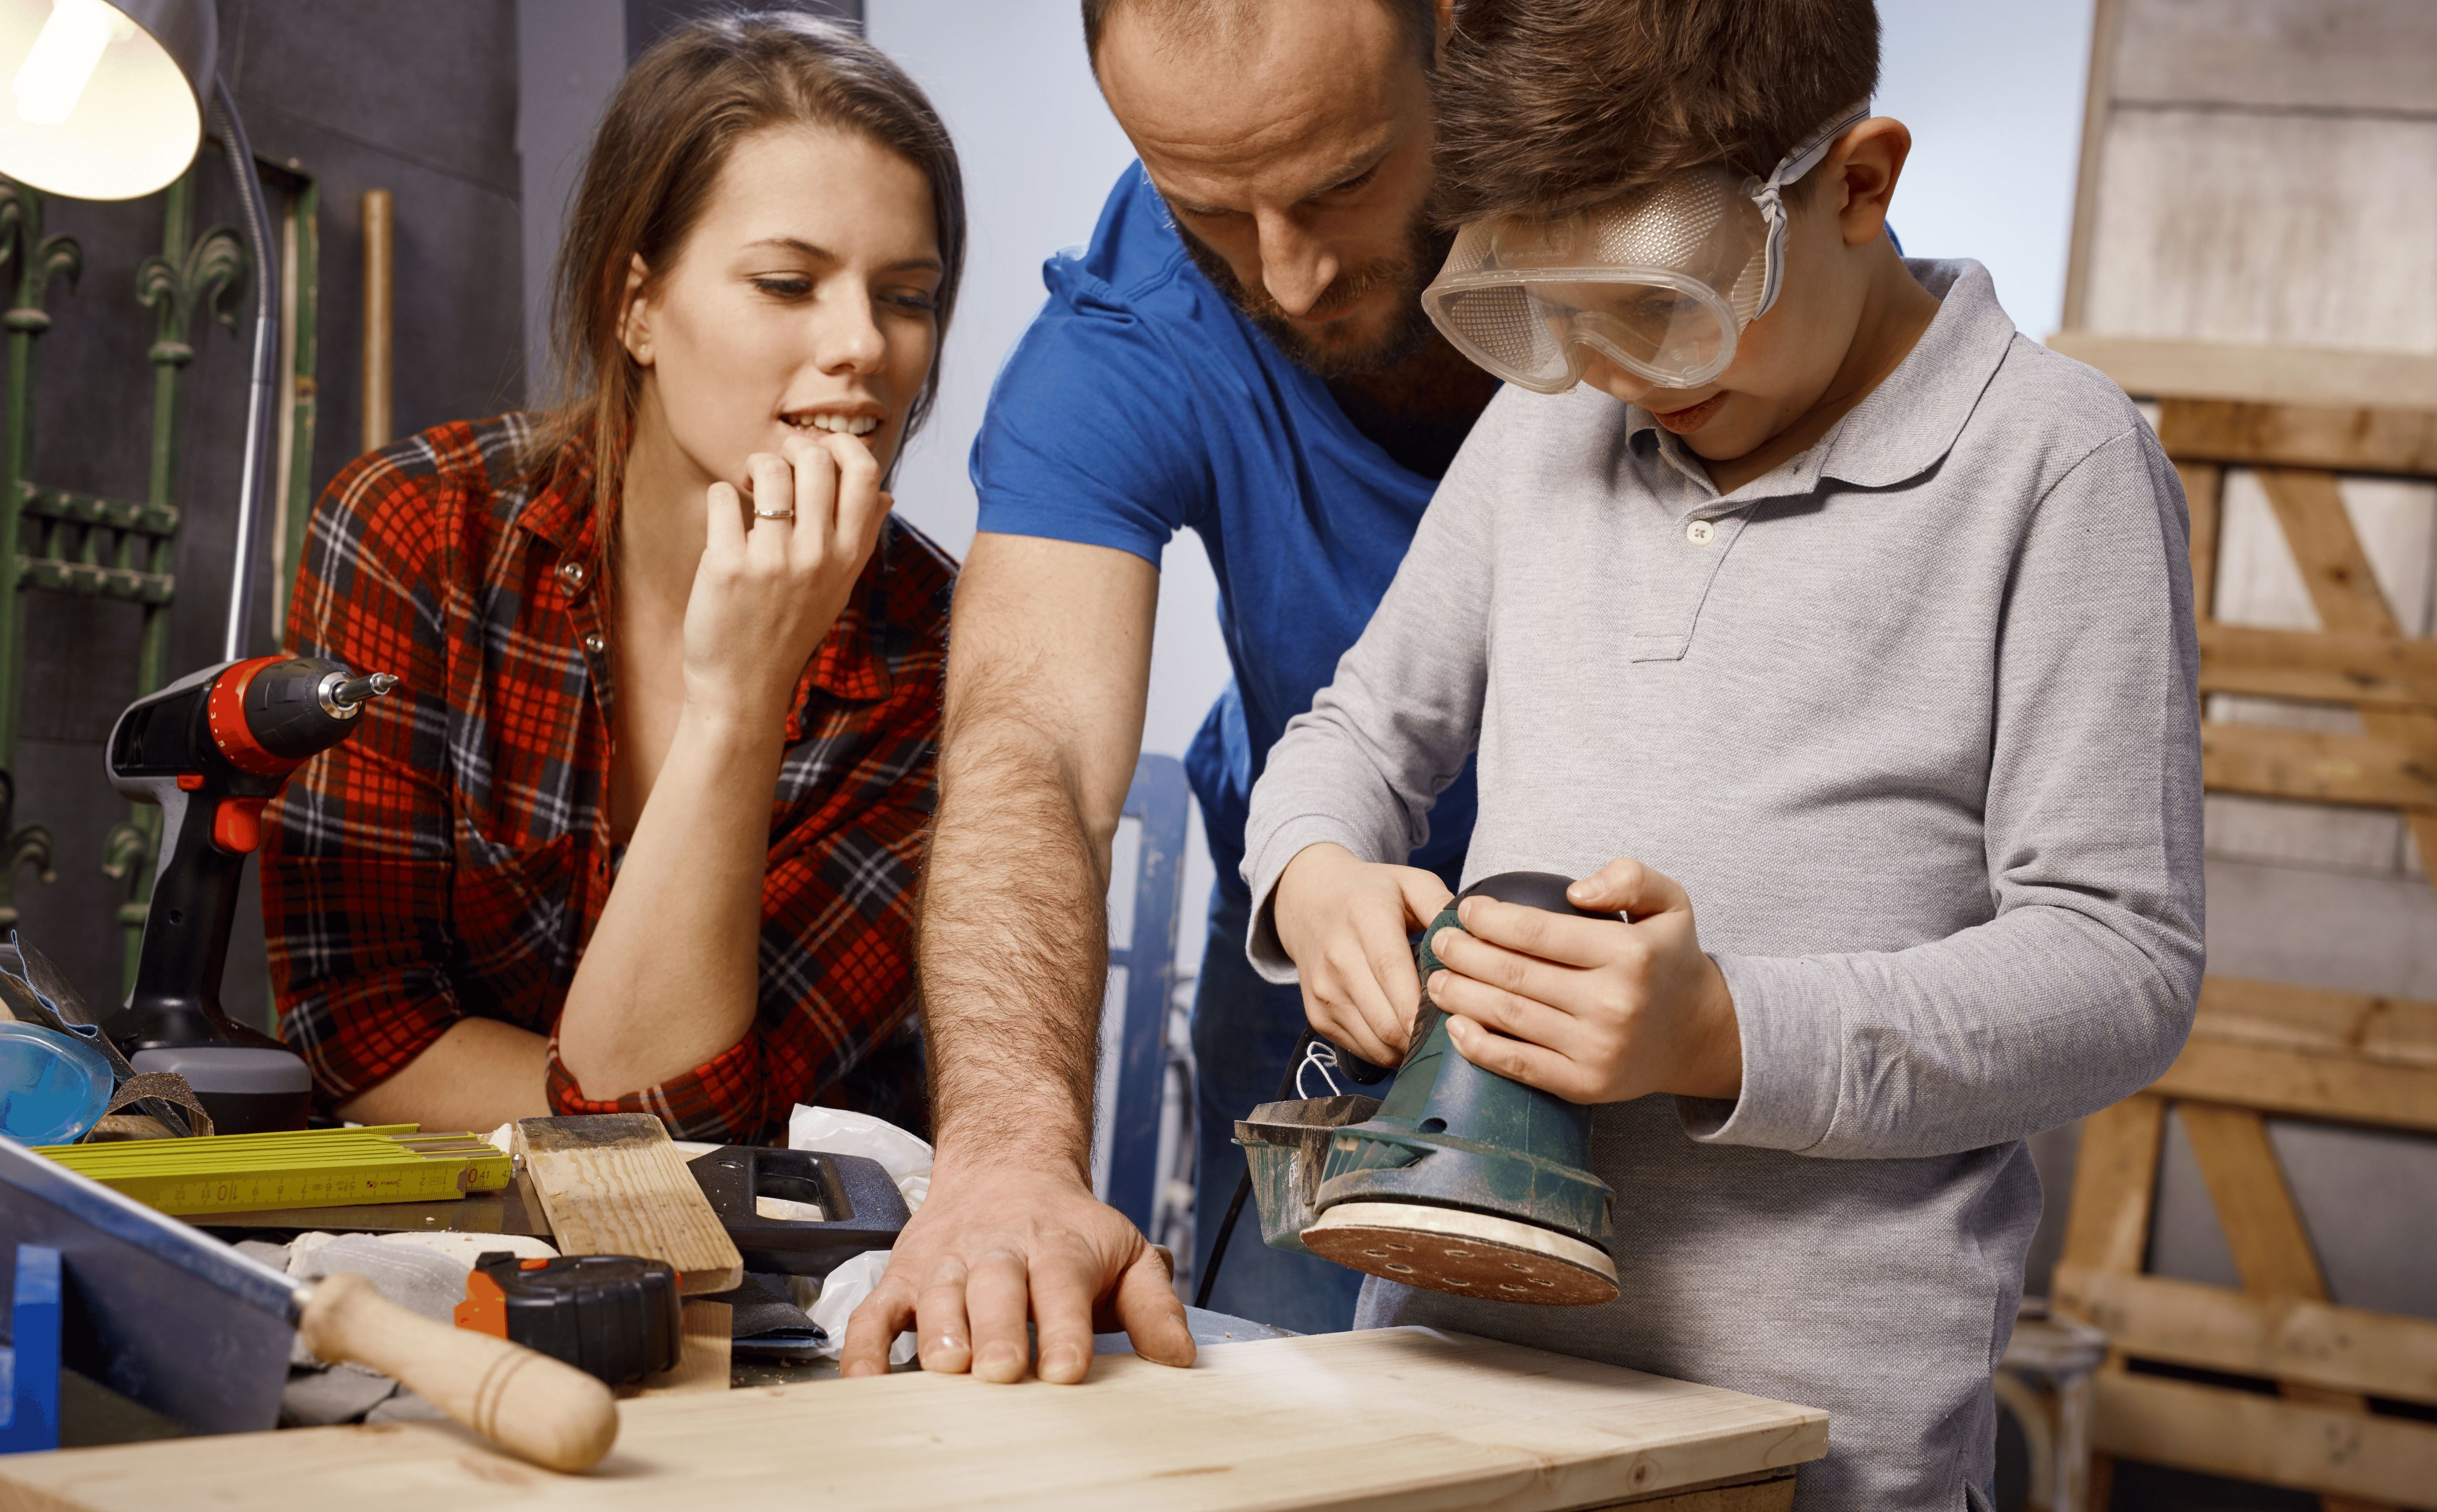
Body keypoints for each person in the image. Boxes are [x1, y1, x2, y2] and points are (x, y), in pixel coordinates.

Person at [1243, 0, 2203, 1505]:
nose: (1614, 370)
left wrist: (1720, 1036)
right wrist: (1315, 877)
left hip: (1813, 1442)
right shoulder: (1541, 426)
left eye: (1662, 301)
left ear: (1857, 183)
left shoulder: (2058, 466)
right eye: (1553, 313)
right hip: (1441, 1395)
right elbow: (1356, 737)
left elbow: (2120, 966)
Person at [838, 0, 1492, 1377]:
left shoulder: (1639, 204)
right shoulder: (1130, 329)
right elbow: (1036, 753)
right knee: (1301, 1380)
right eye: (1211, 208)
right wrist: (1010, 1161)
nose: (1291, 275)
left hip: (1639, 894)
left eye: (1343, 184)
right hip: (1317, 917)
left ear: (1467, 41)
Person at [264, 14, 963, 1143]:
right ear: (637, 304)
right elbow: (359, 1038)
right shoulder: (419, 528)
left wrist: (740, 702)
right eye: (788, 283)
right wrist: (611, 1114)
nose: (866, 346)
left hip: (787, 1288)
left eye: (909, 296)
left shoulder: (941, 652)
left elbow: (691, 1113)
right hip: (431, 1230)